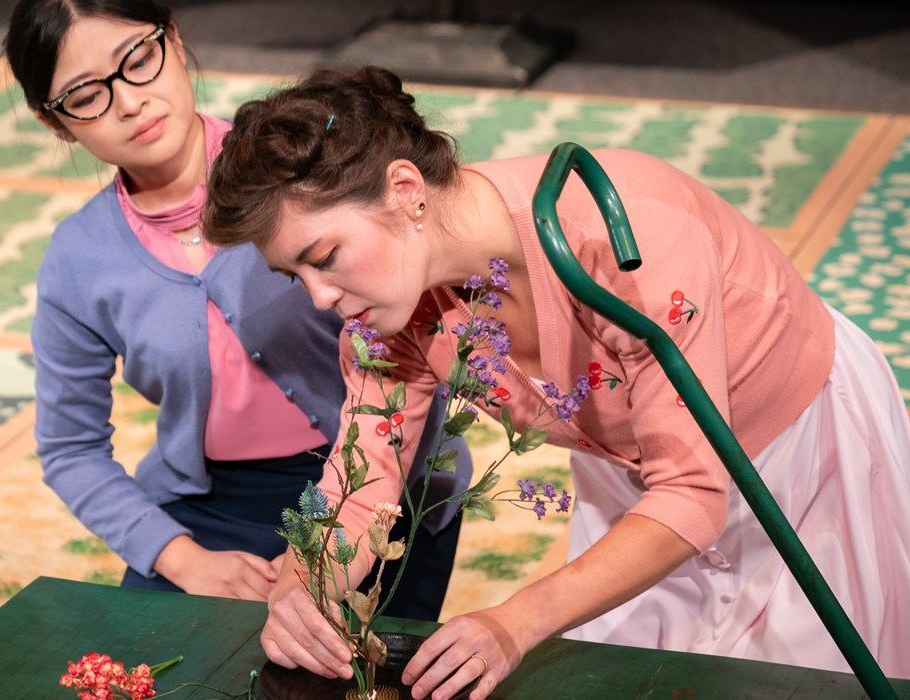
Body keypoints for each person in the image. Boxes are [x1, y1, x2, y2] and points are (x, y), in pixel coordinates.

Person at [203, 66, 910, 698]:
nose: (320, 297)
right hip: (636, 481)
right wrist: (302, 585)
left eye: (325, 256)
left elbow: (695, 490)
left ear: (406, 191)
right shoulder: (384, 315)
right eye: (295, 275)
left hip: (794, 456)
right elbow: (364, 487)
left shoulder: (620, 236)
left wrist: (516, 621)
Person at [2, 3, 468, 618]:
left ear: (174, 40)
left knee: (339, 664)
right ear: (54, 122)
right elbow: (70, 449)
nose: (129, 102)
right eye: (86, 95)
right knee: (148, 664)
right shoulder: (78, 257)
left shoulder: (305, 172)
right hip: (205, 508)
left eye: (137, 60)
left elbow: (425, 327)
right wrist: (180, 557)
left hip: (378, 475)